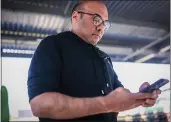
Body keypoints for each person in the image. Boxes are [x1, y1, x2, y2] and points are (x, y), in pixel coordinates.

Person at [27, 1, 161, 121]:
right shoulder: (53, 45)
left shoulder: (104, 58)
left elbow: (118, 99)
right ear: (75, 17)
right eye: (96, 19)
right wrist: (107, 104)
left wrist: (140, 98)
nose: (101, 28)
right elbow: (40, 105)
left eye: (105, 23)